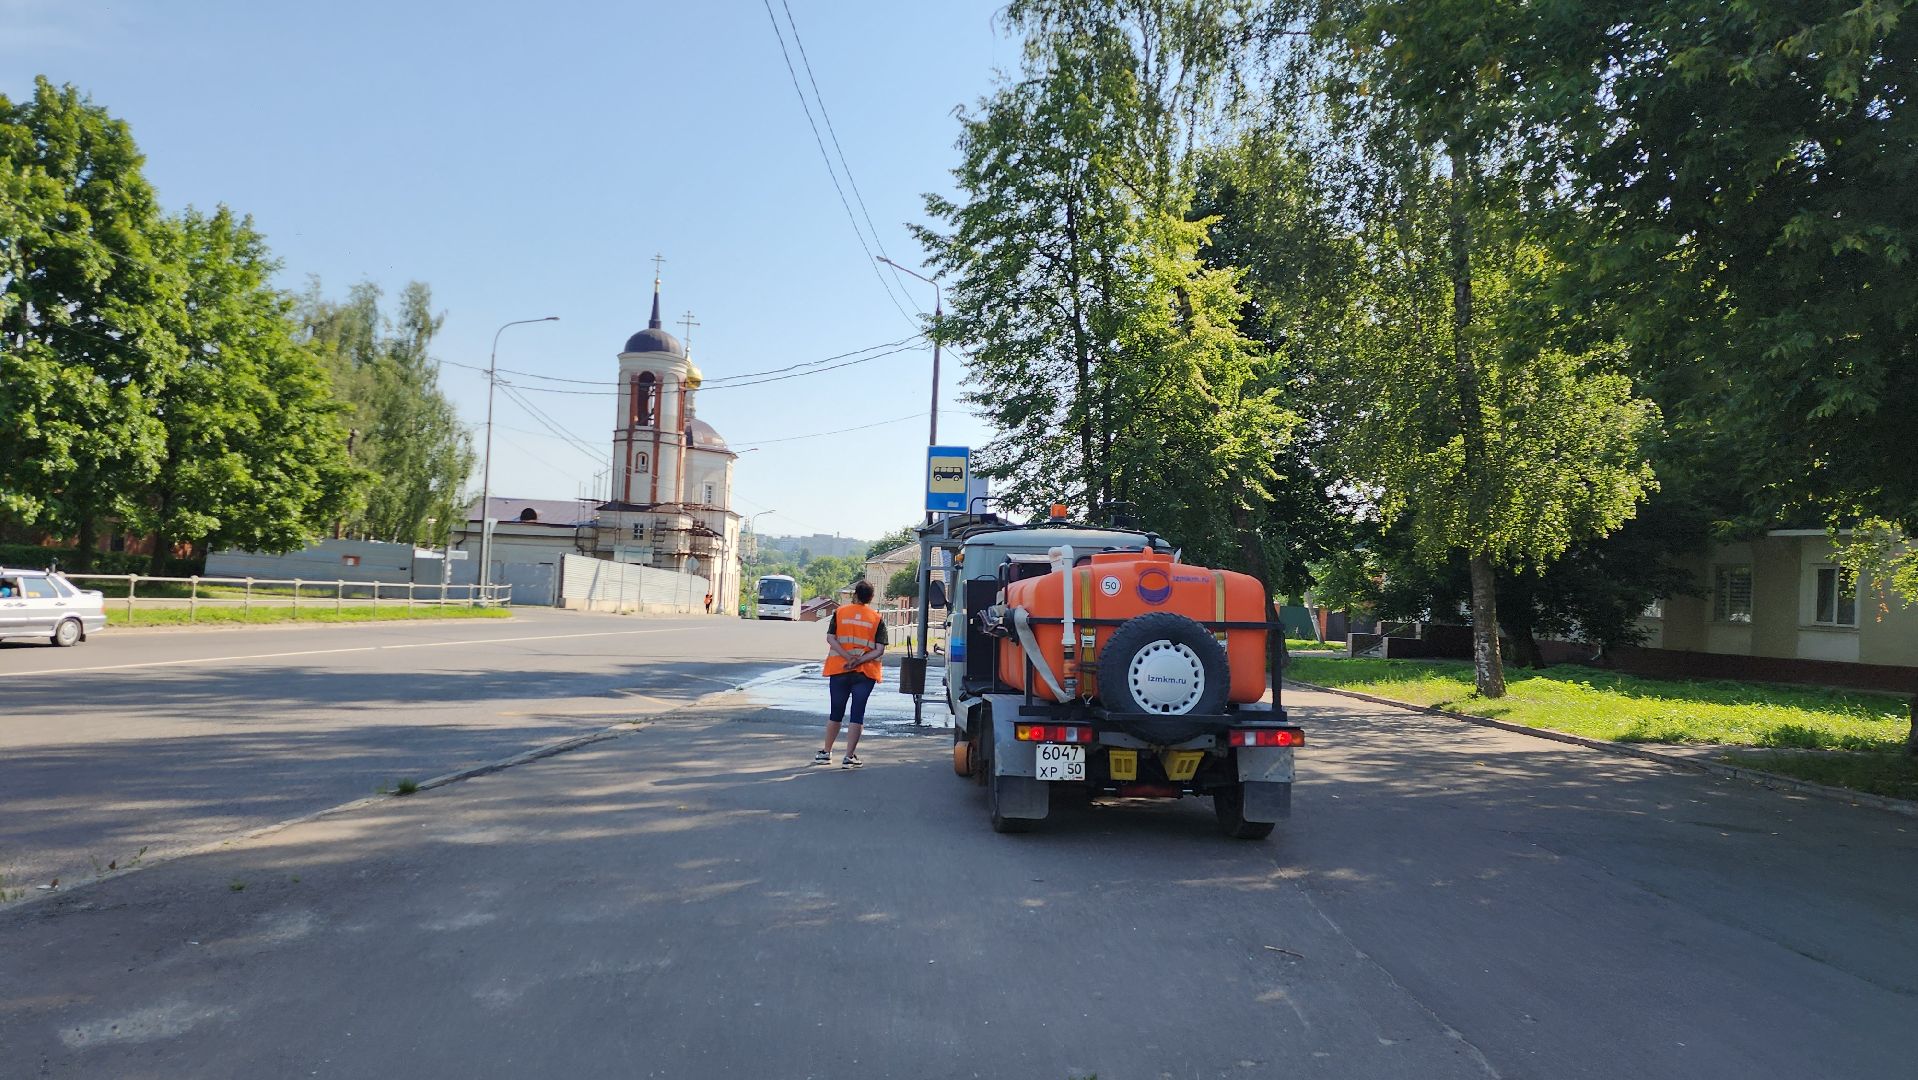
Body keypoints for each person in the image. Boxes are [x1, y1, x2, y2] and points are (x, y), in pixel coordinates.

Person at [813, 580, 886, 768]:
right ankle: (849, 756)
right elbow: (879, 650)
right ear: (871, 597)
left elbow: (830, 638)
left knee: (836, 712)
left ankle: (826, 752)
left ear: (855, 594)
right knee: (857, 714)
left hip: (839, 669)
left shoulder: (840, 612)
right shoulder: (876, 618)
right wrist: (859, 660)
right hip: (865, 672)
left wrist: (847, 657)